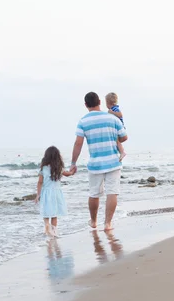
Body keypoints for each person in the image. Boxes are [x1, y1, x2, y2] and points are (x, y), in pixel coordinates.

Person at [70, 92, 128, 231]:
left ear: (86, 105)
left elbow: (78, 143)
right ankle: (108, 223)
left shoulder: (83, 121)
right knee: (112, 192)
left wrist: (73, 163)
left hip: (95, 163)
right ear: (100, 102)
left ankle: (94, 221)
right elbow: (124, 137)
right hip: (113, 161)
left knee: (94, 193)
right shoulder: (112, 118)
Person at [35, 146, 73, 237]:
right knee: (54, 213)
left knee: (46, 211)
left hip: (46, 193)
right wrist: (72, 171)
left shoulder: (43, 169)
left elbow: (40, 182)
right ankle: (54, 231)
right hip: (56, 193)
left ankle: (47, 225)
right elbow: (68, 174)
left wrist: (38, 194)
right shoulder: (59, 168)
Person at [105, 92, 127, 161]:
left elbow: (120, 115)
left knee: (116, 140)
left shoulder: (115, 109)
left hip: (119, 127)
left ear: (109, 103)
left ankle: (122, 152)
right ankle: (120, 152)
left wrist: (112, 112)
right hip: (116, 127)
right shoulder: (113, 109)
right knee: (116, 141)